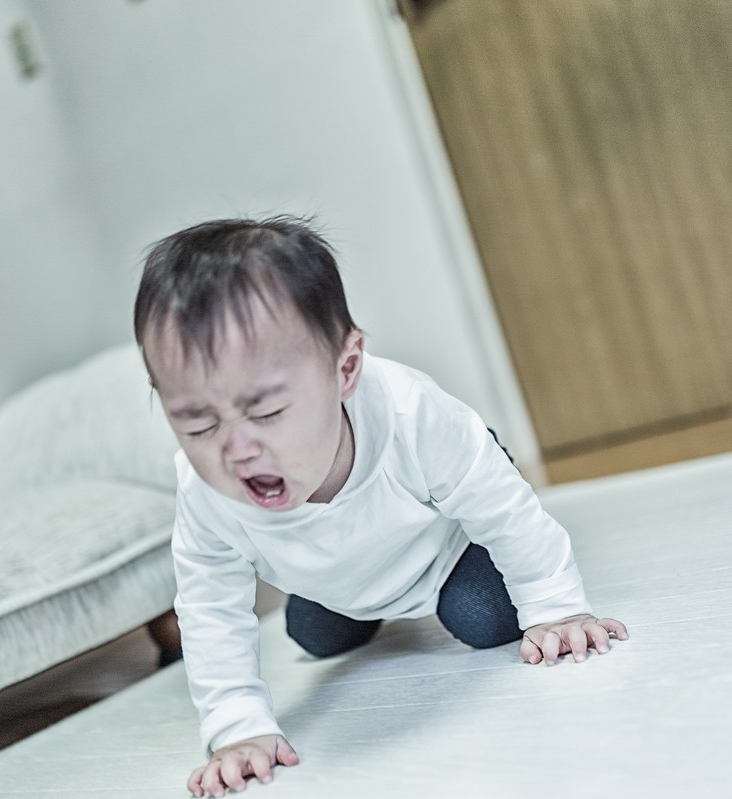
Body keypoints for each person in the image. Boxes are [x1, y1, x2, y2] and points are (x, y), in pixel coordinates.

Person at [133, 217, 628, 798]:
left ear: (345, 370)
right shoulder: (204, 490)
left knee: (484, 615)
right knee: (313, 637)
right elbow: (209, 608)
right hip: (342, 573)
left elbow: (505, 511)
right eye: (198, 422)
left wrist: (556, 608)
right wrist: (237, 731)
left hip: (441, 544)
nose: (236, 450)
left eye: (267, 413)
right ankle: (351, 592)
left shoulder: (411, 416)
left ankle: (471, 497)